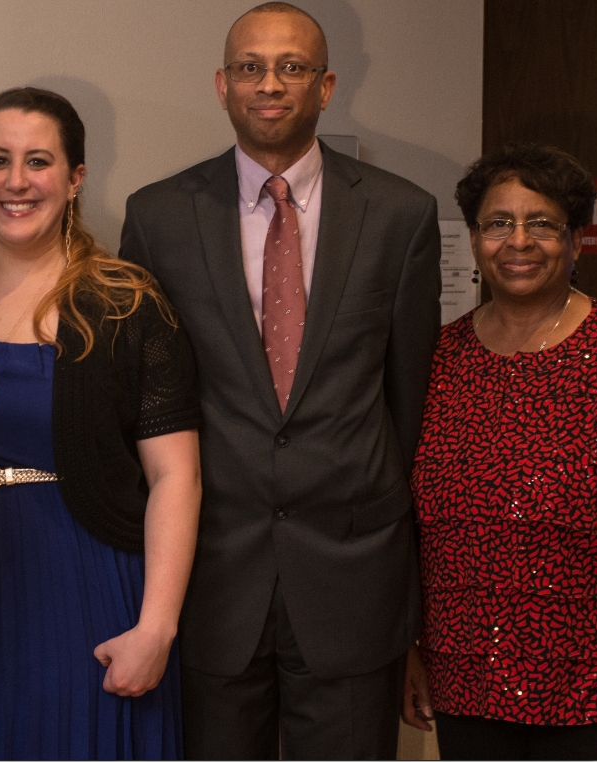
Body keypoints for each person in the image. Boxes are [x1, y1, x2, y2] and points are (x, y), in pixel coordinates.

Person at [119, 2, 441, 759]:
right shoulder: (160, 216)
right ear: (222, 86)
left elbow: (410, 403)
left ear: (325, 87)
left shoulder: (400, 215)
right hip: (212, 578)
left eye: (292, 67)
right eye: (250, 68)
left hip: (354, 581)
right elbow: (142, 406)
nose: (270, 84)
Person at [0, 87, 202, 760]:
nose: (15, 181)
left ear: (75, 177)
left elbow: (175, 475)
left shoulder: (126, 304)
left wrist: (156, 628)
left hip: (83, 585)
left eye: (38, 161)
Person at [401, 143, 597, 761]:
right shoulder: (443, 357)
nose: (518, 242)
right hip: (466, 682)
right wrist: (415, 647)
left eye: (541, 224)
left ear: (575, 239)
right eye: (498, 224)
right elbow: (411, 521)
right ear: (477, 238)